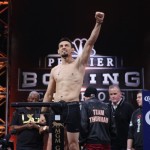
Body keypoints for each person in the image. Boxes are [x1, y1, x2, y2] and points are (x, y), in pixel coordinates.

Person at [40, 11, 105, 150]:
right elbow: (48, 94)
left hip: (72, 107)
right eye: (61, 46)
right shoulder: (55, 70)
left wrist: (98, 23)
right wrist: (42, 113)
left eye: (66, 45)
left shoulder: (78, 64)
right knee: (54, 143)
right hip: (56, 109)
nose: (64, 47)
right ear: (58, 51)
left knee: (73, 144)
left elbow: (89, 43)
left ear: (72, 49)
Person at [79, 86, 117, 150]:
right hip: (106, 144)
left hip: (91, 143)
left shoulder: (85, 104)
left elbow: (83, 125)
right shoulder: (107, 106)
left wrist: (81, 141)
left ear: (86, 96)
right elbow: (113, 128)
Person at [108, 84, 134, 150]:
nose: (113, 96)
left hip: (124, 145)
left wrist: (132, 145)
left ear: (120, 94)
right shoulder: (106, 108)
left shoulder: (128, 107)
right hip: (110, 145)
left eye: (115, 94)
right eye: (111, 94)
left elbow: (133, 127)